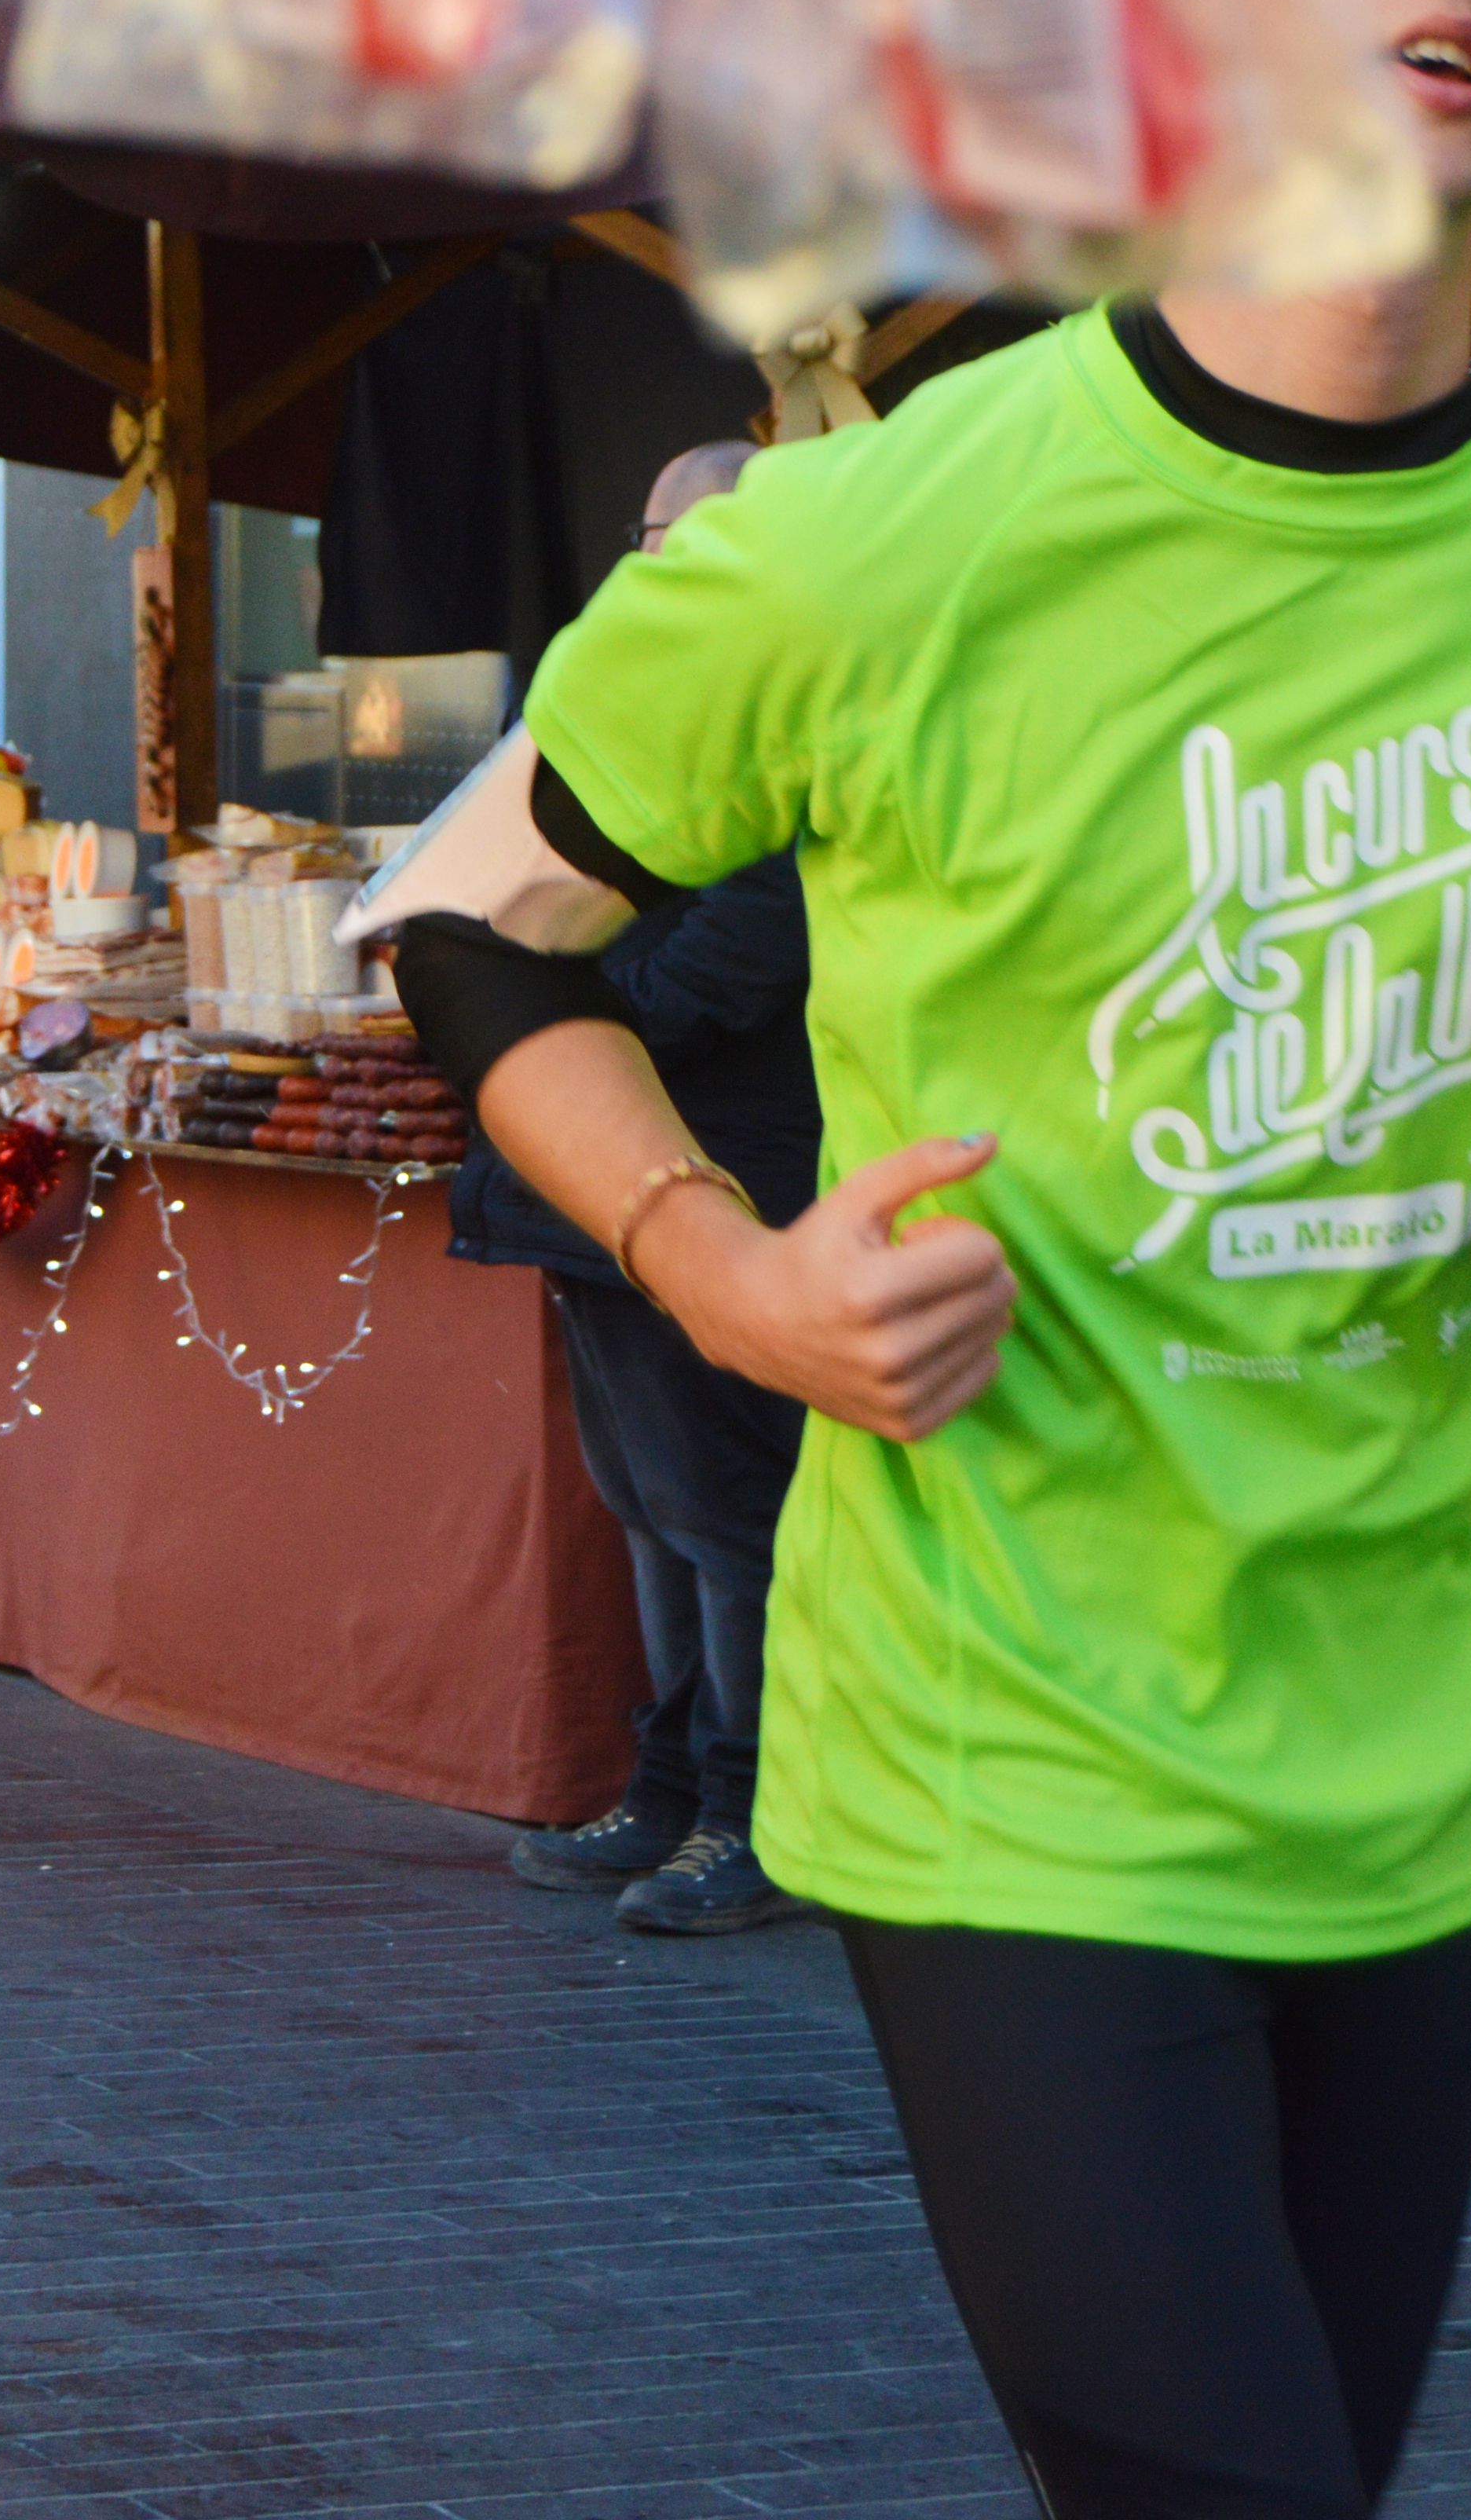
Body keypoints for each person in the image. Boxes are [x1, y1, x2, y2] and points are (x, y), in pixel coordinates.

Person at [387, 0, 1471, 2520]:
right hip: (1000, 1732)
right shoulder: (876, 535)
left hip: (1425, 1753)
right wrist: (723, 1266)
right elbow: (478, 939)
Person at [463, 437, 821, 1936]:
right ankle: (670, 1788)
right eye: (647, 530)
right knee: (643, 1508)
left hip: (717, 1184)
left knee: (725, 1515)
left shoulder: (794, 717)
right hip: (578, 1193)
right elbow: (482, 907)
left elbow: (717, 968)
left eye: (691, 533)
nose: (655, 559)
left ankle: (757, 1821)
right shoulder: (598, 709)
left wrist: (553, 977)